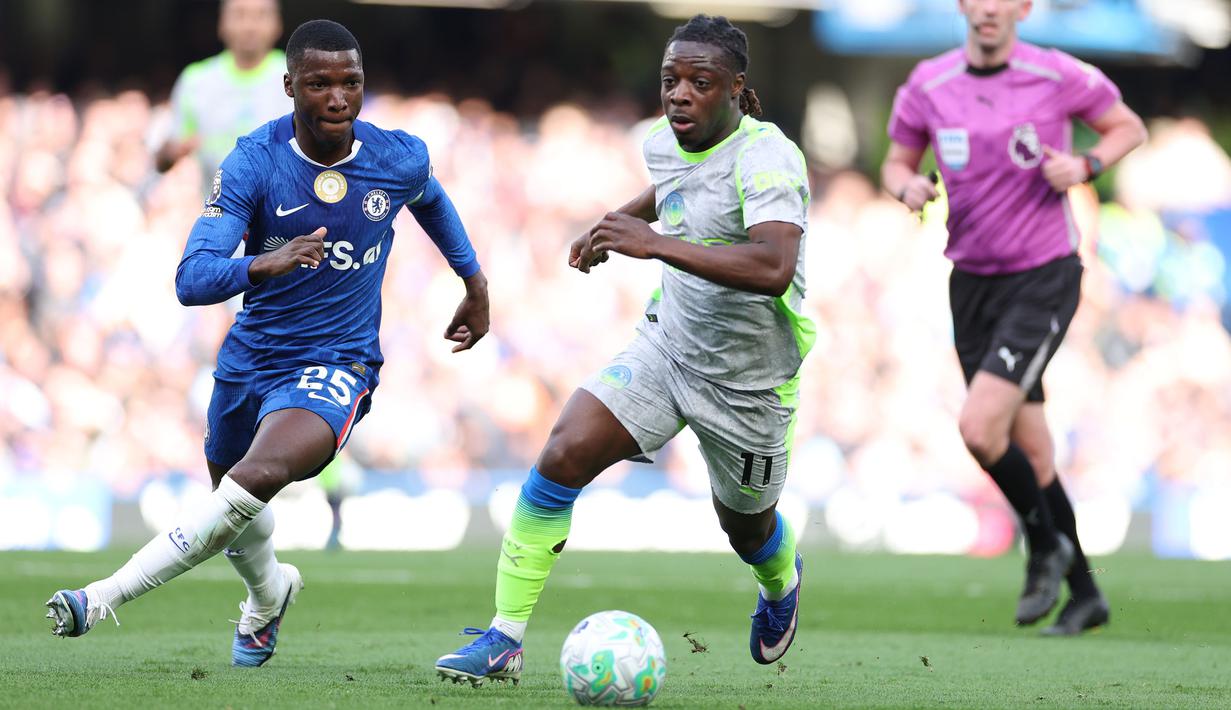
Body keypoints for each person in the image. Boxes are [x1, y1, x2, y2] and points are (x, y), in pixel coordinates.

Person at [45, 19, 490, 667]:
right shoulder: (254, 162)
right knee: (235, 508)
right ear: (289, 87)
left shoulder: (397, 156)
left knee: (252, 479)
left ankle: (100, 597)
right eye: (319, 84)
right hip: (250, 358)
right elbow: (191, 280)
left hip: (338, 363)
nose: (338, 98)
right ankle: (267, 594)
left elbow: (431, 199)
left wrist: (473, 282)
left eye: (351, 82)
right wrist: (264, 263)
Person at [435, 14, 812, 686]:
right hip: (668, 345)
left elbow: (773, 265)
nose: (679, 94)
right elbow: (673, 185)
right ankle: (503, 639)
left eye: (700, 82)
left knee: (745, 530)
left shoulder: (768, 157)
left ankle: (780, 581)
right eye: (671, 80)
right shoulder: (663, 141)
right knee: (562, 452)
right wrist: (617, 224)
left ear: (734, 90)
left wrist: (656, 243)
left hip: (748, 380)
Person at [880, 0, 1146, 635]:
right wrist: (907, 186)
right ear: (964, 6)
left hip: (1043, 276)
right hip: (971, 282)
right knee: (1031, 449)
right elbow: (895, 161)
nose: (990, 8)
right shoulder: (930, 82)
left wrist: (1084, 166)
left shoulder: (1056, 73)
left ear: (1023, 8)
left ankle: (1042, 549)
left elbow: (1126, 127)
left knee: (978, 428)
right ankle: (1085, 593)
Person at [155, 0, 289, 182]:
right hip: (219, 208)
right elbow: (162, 158)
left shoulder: (298, 78)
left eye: (261, 15)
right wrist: (173, 152)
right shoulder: (196, 81)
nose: (250, 26)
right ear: (222, 23)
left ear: (277, 24)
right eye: (239, 15)